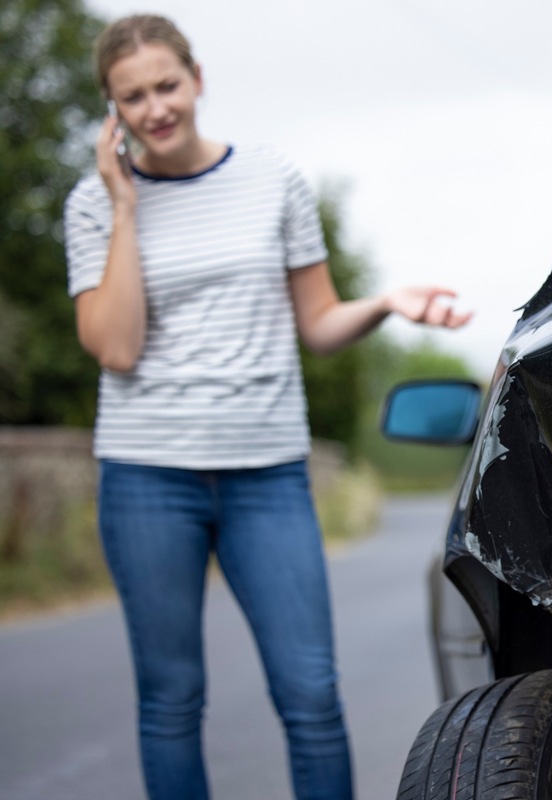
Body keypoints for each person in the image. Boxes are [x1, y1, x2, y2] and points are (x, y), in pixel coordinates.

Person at [63, 14, 471, 800]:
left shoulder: (271, 177)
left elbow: (317, 324)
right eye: (133, 97)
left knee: (311, 694)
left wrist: (385, 301)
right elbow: (115, 346)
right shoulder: (92, 203)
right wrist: (123, 205)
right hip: (148, 476)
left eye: (167, 85)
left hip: (266, 473)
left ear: (198, 79)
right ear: (112, 110)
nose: (156, 109)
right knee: (172, 700)